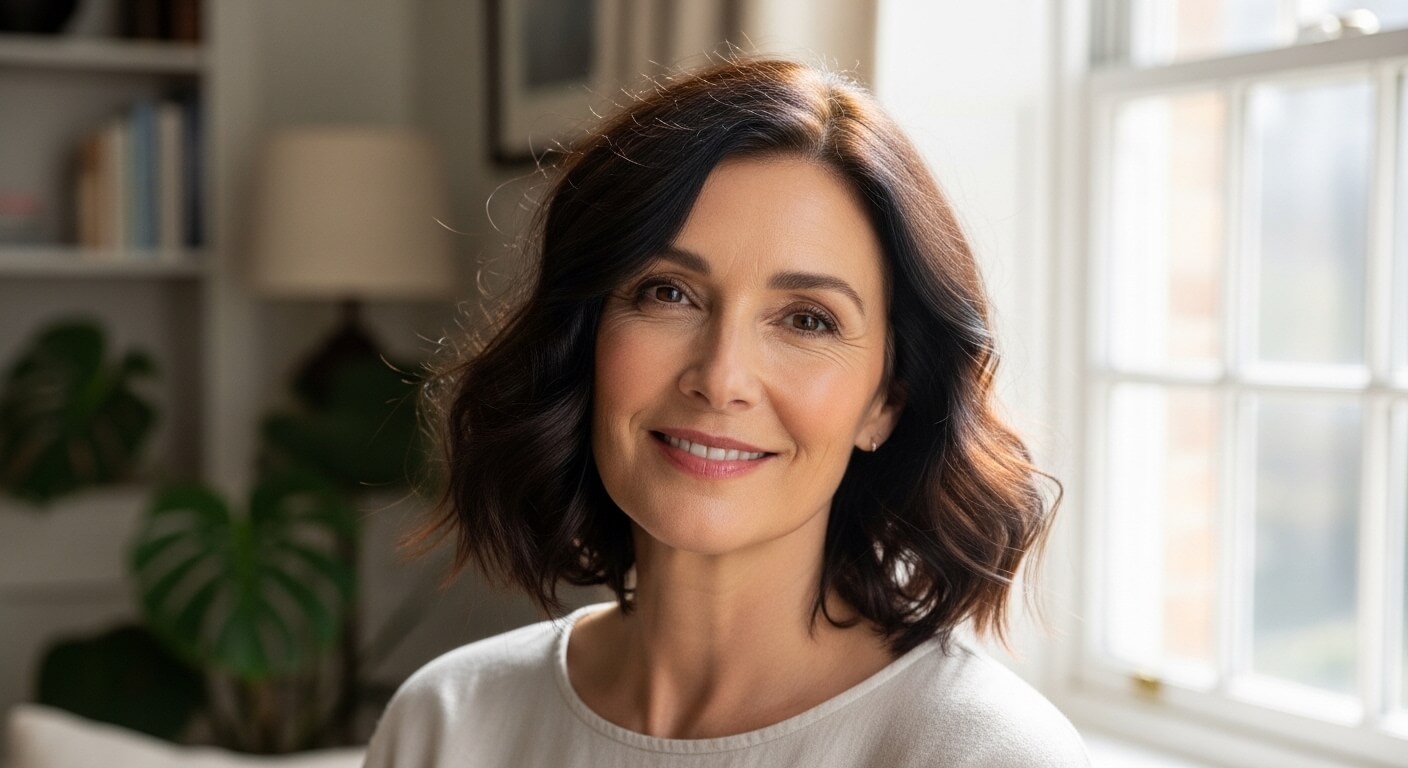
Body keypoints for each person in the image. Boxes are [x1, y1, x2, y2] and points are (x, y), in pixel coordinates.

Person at [363, 56, 1090, 767]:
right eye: (668, 293)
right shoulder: (445, 723)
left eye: (807, 320)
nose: (721, 379)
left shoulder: (987, 753)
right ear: (583, 339)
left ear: (886, 401)